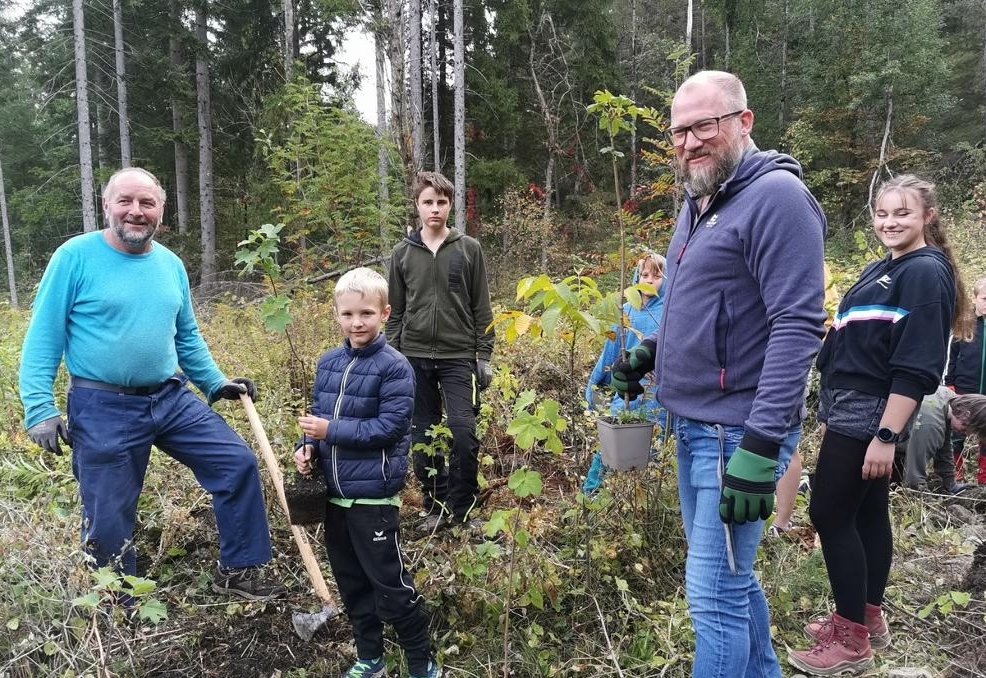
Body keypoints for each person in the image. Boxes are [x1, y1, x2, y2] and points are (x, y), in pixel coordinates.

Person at [611, 71, 827, 678]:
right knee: (733, 583)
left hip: (737, 435)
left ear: (743, 122)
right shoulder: (701, 199)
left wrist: (760, 449)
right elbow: (698, 303)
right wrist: (649, 353)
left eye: (704, 125)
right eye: (680, 130)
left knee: (713, 596)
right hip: (695, 426)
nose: (689, 141)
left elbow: (797, 325)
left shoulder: (777, 198)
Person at [19, 167, 283, 600]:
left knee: (236, 463)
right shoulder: (75, 257)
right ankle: (118, 602)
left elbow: (187, 337)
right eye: (125, 201)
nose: (136, 212)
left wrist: (216, 383)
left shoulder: (170, 264)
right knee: (108, 512)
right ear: (107, 205)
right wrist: (39, 408)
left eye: (147, 203)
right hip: (102, 405)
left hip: (170, 396)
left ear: (161, 209)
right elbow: (44, 336)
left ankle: (238, 572)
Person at [788, 175, 969, 675]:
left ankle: (850, 642)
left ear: (927, 217)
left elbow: (917, 364)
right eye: (883, 213)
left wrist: (886, 435)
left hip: (871, 409)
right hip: (853, 402)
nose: (890, 223)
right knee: (867, 512)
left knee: (828, 512)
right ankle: (867, 615)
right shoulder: (886, 267)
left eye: (902, 214)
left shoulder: (925, 273)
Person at [294, 267, 440, 678]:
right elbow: (319, 421)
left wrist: (329, 431)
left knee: (390, 586)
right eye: (348, 314)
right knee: (352, 584)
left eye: (366, 314)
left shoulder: (395, 367)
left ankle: (421, 663)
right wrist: (306, 449)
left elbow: (389, 428)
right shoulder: (328, 363)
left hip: (372, 498)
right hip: (334, 498)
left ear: (385, 313)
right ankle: (370, 658)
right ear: (336, 314)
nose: (357, 322)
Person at [386, 171, 495, 532]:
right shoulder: (402, 254)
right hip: (412, 358)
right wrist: (392, 358)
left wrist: (483, 355)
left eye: (442, 202)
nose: (435, 209)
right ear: (417, 205)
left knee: (463, 434)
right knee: (423, 435)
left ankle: (463, 511)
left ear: (451, 204)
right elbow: (395, 312)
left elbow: (482, 307)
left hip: (458, 356)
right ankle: (436, 507)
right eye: (428, 202)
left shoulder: (469, 249)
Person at [582, 252, 669, 494]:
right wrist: (595, 385)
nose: (650, 280)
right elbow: (609, 354)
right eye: (644, 275)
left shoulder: (670, 312)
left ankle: (641, 500)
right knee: (611, 448)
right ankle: (591, 496)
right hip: (626, 395)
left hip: (658, 398)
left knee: (654, 449)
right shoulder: (626, 311)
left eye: (657, 275)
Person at [903, 387, 986, 493]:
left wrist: (950, 484)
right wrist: (924, 500)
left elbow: (944, 449)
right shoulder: (932, 425)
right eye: (969, 429)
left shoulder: (948, 399)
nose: (967, 434)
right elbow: (913, 476)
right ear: (966, 414)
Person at [944, 277, 986, 485]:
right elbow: (951, 356)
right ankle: (955, 473)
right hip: (963, 390)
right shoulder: (964, 324)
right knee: (957, 434)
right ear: (975, 298)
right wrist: (949, 383)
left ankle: (983, 477)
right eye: (985, 298)